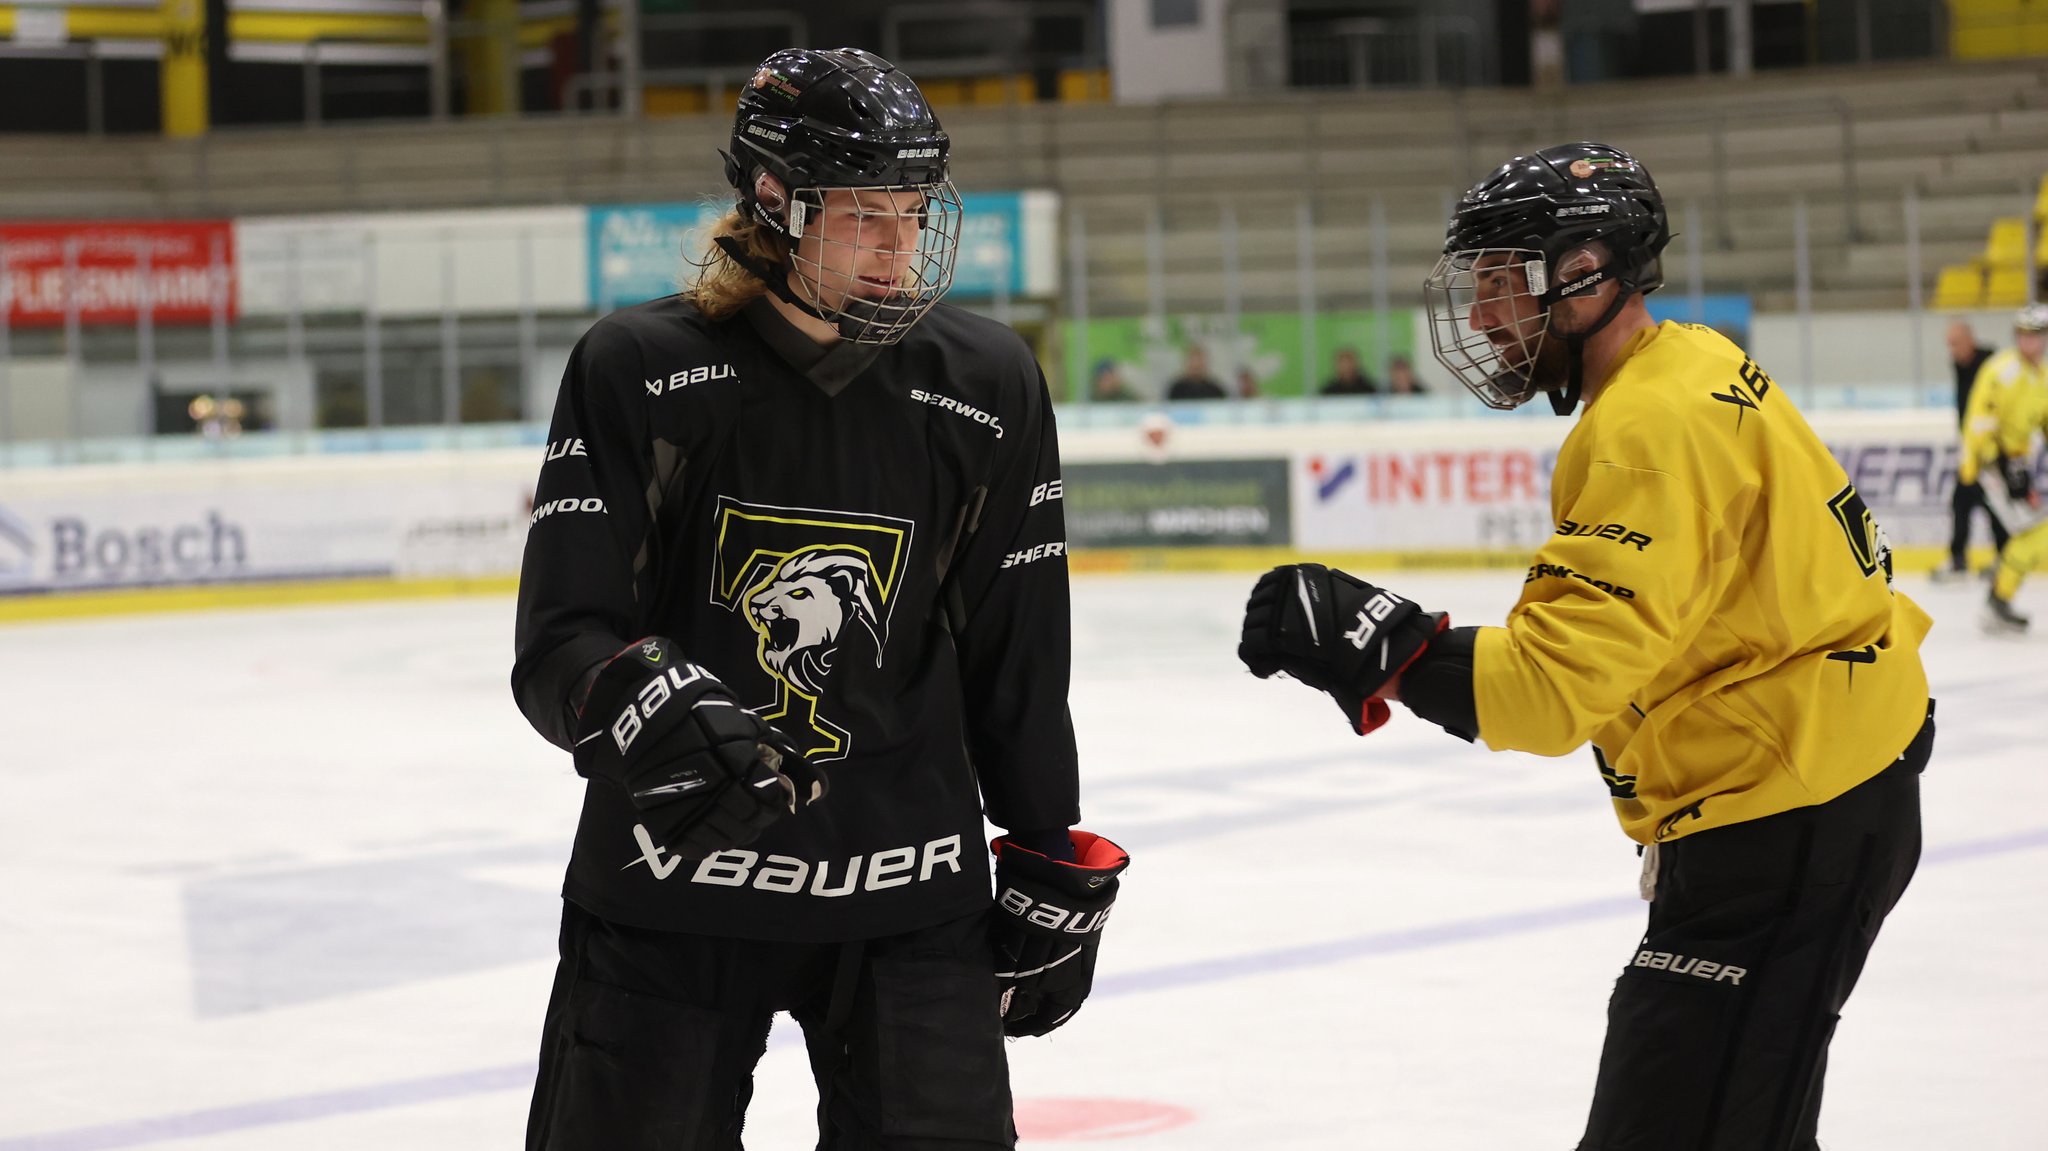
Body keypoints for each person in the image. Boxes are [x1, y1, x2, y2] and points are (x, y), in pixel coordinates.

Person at [1237, 143, 1932, 1151]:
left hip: (1789, 812)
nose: (1479, 316)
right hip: (1810, 783)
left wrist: (1376, 639)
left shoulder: (1647, 426)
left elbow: (1551, 692)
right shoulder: (1685, 364)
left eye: (1497, 283)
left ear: (1583, 275)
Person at [511, 47, 1127, 1151]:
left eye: (911, 213)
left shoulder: (984, 383)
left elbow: (1017, 651)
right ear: (773, 203)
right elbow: (560, 639)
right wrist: (636, 695)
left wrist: (1044, 847)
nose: (899, 250)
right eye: (863, 219)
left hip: (908, 895)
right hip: (669, 894)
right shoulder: (638, 367)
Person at [1962, 303, 2048, 631]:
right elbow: (1981, 421)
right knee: (2033, 532)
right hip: (1993, 465)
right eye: (2024, 335)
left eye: (2036, 336)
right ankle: (1998, 599)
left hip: (2016, 465)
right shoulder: (2002, 372)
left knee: (2032, 532)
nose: (2030, 342)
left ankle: (1999, 597)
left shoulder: (2041, 377)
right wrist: (1993, 464)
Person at [1933, 318, 2006, 581]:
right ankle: (1959, 558)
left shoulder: (1991, 366)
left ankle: (2000, 558)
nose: (1952, 350)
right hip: (1971, 453)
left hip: (1991, 454)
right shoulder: (1960, 366)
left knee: (1992, 505)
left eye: (1955, 343)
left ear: (1969, 340)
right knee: (1963, 502)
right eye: (1949, 345)